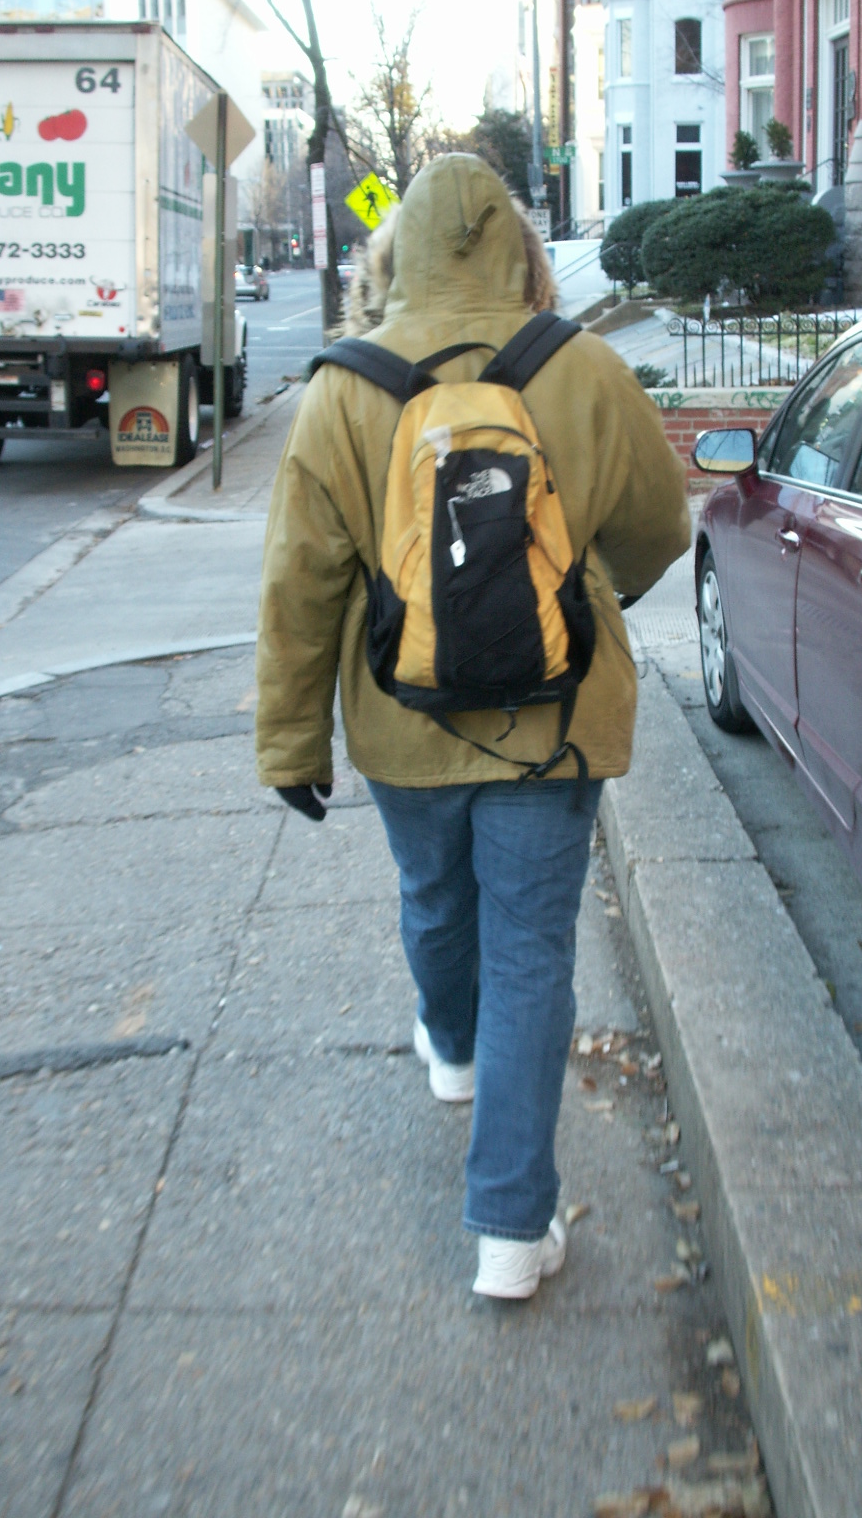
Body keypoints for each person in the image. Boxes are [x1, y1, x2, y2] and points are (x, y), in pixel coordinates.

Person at [256, 154, 689, 1299]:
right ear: (521, 252)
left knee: (435, 897)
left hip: (400, 721)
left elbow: (301, 587)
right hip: (555, 720)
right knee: (534, 946)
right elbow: (656, 530)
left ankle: (450, 1050)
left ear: (388, 256)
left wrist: (292, 743)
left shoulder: (340, 391)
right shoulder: (586, 368)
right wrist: (583, 590)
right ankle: (510, 1228)